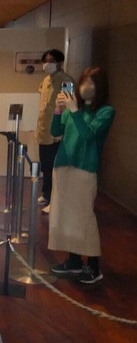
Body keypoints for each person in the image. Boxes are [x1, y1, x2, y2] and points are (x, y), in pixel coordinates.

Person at [48, 67, 114, 284]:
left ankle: (94, 266)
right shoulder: (71, 108)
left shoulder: (105, 111)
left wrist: (74, 110)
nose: (85, 87)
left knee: (84, 217)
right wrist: (58, 110)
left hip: (85, 168)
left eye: (91, 83)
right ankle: (74, 261)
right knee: (65, 216)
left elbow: (87, 135)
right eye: (83, 82)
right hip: (63, 165)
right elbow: (55, 132)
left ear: (99, 87)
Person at [36, 49, 73, 213]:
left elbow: (68, 107)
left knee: (54, 166)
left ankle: (54, 199)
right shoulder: (45, 80)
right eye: (45, 61)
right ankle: (46, 193)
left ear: (59, 62)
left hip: (56, 132)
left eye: (51, 61)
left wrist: (62, 130)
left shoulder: (66, 81)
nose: (47, 64)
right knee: (45, 165)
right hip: (44, 129)